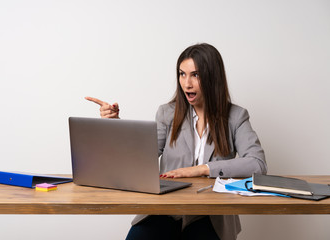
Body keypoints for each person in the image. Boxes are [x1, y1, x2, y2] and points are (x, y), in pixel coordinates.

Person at [85, 43, 267, 240]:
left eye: (195, 75)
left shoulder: (236, 116)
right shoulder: (167, 113)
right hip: (165, 208)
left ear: (212, 78)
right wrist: (115, 125)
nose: (186, 83)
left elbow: (257, 164)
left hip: (210, 215)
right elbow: (141, 155)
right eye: (182, 74)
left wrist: (202, 169)